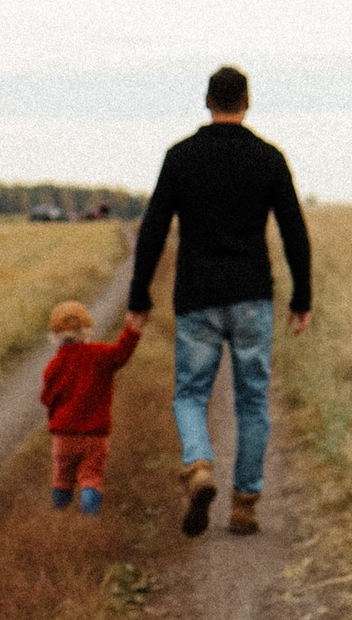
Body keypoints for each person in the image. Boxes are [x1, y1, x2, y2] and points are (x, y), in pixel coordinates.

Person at [125, 62, 312, 540]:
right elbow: (293, 229)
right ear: (247, 102)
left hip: (197, 296)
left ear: (208, 102)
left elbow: (153, 227)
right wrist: (302, 296)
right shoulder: (269, 158)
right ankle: (245, 505)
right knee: (253, 400)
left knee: (190, 394)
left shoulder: (180, 157)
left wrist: (140, 294)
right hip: (252, 297)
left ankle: (199, 466)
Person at [38, 298, 143, 514]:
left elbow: (46, 398)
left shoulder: (53, 366)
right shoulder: (99, 354)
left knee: (62, 479)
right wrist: (132, 329)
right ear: (87, 330)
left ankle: (59, 517)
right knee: (91, 478)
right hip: (95, 435)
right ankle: (89, 518)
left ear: (55, 335)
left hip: (64, 436)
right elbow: (121, 353)